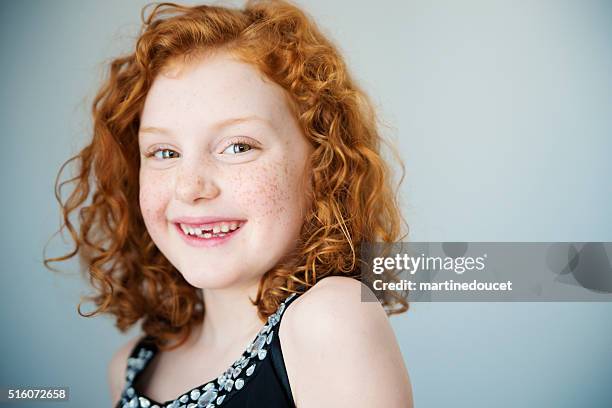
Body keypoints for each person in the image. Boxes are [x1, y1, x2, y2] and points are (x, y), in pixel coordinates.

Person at [44, 0, 413, 406]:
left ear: (320, 166)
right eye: (164, 152)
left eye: (237, 146)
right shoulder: (131, 366)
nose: (190, 188)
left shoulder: (331, 319)